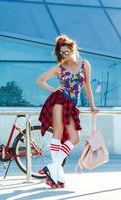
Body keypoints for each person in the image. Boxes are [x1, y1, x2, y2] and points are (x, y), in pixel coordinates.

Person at [36, 34, 99, 188]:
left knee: (74, 138)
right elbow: (40, 80)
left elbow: (87, 86)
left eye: (66, 52)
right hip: (58, 101)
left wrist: (92, 105)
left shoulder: (85, 65)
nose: (64, 55)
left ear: (73, 50)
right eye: (61, 53)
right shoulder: (59, 68)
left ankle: (52, 168)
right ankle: (57, 174)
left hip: (71, 105)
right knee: (57, 134)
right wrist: (53, 88)